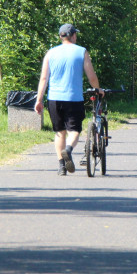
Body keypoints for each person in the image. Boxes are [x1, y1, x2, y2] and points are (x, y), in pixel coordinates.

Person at [34, 24, 103, 175]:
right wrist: (97, 89)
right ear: (73, 36)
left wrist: (39, 100)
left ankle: (61, 167)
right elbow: (91, 76)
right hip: (73, 98)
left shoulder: (50, 53)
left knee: (60, 132)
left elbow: (44, 78)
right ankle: (69, 149)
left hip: (54, 99)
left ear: (61, 36)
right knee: (74, 131)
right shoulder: (81, 51)